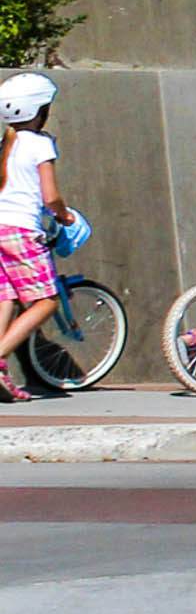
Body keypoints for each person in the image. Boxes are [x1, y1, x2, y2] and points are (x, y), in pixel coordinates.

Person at [0, 73, 68, 402]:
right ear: (39, 111)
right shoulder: (41, 143)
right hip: (21, 230)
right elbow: (50, 196)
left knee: (8, 297)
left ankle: (1, 373)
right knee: (46, 301)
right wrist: (64, 215)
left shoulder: (5, 143)